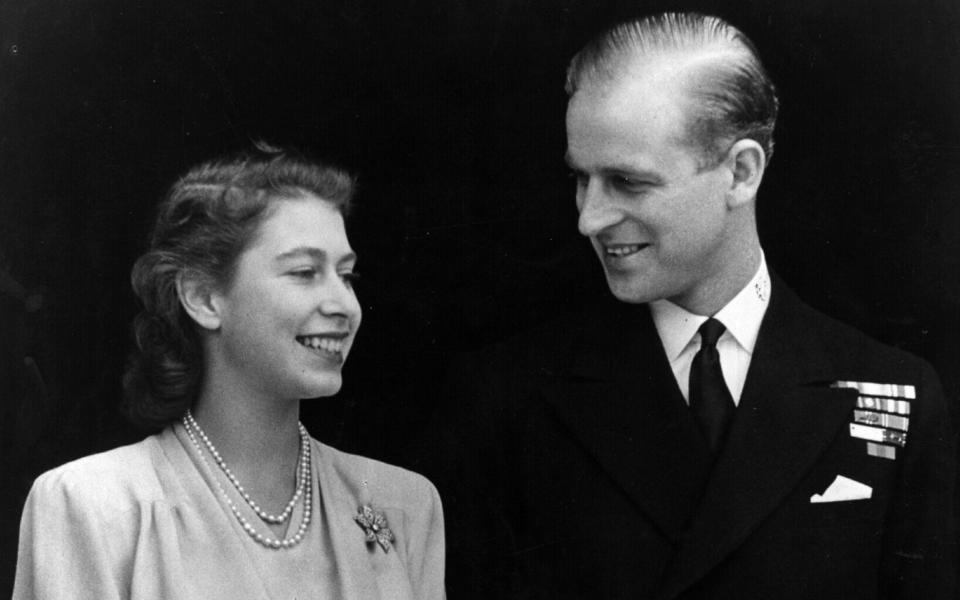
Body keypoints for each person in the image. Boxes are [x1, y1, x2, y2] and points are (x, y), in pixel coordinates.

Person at [437, 12, 957, 599]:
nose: (589, 219)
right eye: (582, 179)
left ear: (740, 172)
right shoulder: (511, 396)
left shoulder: (892, 391)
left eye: (628, 183)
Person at [13, 145, 446, 599]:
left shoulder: (404, 506)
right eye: (304, 272)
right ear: (203, 298)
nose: (343, 305)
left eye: (347, 276)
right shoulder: (95, 506)